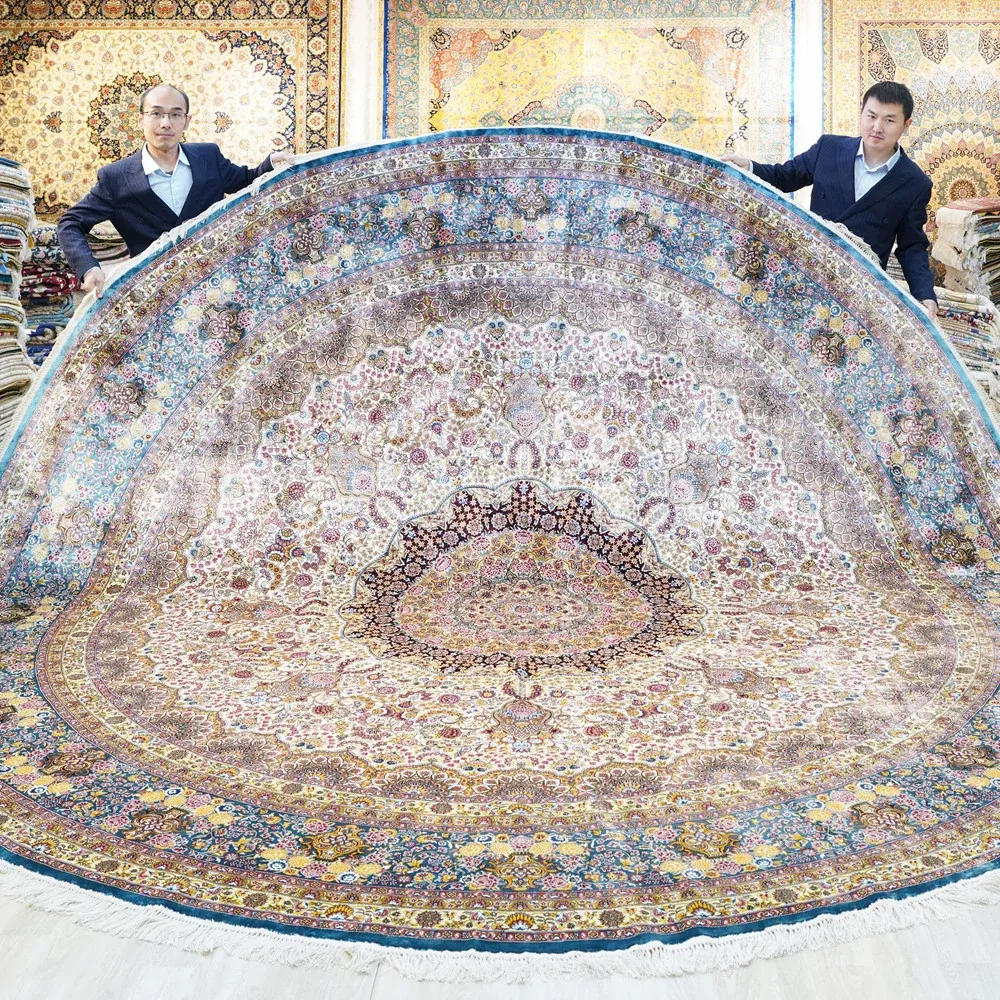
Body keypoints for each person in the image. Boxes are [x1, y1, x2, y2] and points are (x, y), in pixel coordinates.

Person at [722, 81, 937, 319]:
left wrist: (924, 294)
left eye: (889, 120)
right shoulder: (829, 148)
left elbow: (911, 246)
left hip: (859, 291)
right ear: (861, 113)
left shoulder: (915, 183)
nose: (877, 127)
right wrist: (749, 167)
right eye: (871, 116)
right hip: (808, 273)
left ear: (906, 125)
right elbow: (784, 176)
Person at [57, 83, 294, 298]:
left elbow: (246, 181)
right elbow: (70, 223)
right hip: (154, 295)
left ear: (186, 121)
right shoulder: (116, 177)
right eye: (156, 113)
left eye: (175, 114)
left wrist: (271, 164)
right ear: (140, 120)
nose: (165, 123)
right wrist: (89, 268)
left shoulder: (208, 156)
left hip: (217, 284)